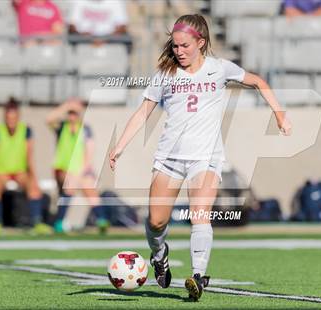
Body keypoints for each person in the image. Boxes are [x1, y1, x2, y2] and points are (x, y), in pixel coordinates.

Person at [109, 14, 291, 301]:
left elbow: (258, 81)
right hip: (169, 158)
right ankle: (159, 255)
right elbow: (143, 112)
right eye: (175, 46)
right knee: (156, 222)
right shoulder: (166, 75)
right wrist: (120, 145)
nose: (178, 51)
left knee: (200, 216)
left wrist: (279, 114)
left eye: (184, 46)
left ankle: (198, 276)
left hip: (205, 158)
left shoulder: (219, 69)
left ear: (201, 43)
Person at [0, 99, 52, 235]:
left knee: (33, 187)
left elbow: (29, 156)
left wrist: (33, 176)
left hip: (20, 171)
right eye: (8, 118)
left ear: (18, 117)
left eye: (13, 118)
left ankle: (37, 222)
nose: (11, 121)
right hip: (2, 172)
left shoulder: (26, 130)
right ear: (5, 117)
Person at [46, 99, 109, 234]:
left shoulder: (85, 129)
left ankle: (102, 221)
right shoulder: (62, 126)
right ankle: (59, 222)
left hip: (79, 170)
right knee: (70, 184)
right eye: (70, 113)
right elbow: (49, 119)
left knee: (89, 186)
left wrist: (83, 171)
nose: (72, 116)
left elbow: (89, 152)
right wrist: (66, 105)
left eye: (75, 113)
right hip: (62, 169)